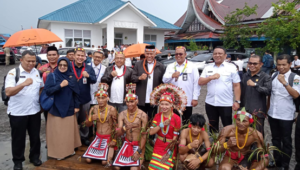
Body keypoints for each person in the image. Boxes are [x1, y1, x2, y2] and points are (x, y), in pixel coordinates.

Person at [5, 50, 44, 170]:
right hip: (18, 112)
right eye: (29, 61)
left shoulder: (37, 72)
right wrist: (23, 84)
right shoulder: (13, 73)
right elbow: (8, 92)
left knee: (35, 137)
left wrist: (40, 103)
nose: (31, 63)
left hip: (34, 111)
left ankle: (34, 157)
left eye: (34, 61)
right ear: (21, 60)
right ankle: (18, 161)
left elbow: (41, 88)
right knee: (18, 138)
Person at [44, 57, 81, 160]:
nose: (62, 67)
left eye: (65, 65)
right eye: (60, 65)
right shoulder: (52, 76)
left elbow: (76, 93)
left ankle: (69, 150)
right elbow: (48, 91)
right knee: (58, 132)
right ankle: (58, 153)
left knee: (68, 132)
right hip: (56, 108)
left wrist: (76, 106)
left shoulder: (72, 76)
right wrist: (60, 86)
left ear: (68, 66)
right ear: (58, 66)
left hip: (69, 107)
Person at [268, 54, 300, 170]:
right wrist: (267, 110)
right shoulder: (274, 74)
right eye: (279, 64)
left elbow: (296, 94)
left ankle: (285, 165)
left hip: (286, 115)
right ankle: (276, 161)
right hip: (273, 113)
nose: (280, 67)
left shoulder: (295, 77)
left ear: (290, 64)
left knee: (286, 140)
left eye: (284, 65)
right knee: (275, 139)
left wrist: (285, 83)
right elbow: (271, 94)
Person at [199, 46, 241, 133]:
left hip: (226, 103)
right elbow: (200, 82)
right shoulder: (208, 67)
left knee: (227, 126)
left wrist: (237, 101)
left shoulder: (231, 67)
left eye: (220, 53)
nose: (217, 55)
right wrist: (211, 77)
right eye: (215, 53)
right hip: (210, 102)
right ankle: (215, 144)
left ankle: (227, 144)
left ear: (225, 56)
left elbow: (236, 85)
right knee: (212, 126)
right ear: (213, 55)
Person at [148, 84, 184, 170]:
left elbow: (175, 138)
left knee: (164, 168)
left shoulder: (176, 118)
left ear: (172, 105)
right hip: (158, 144)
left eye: (167, 104)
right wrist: (161, 125)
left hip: (169, 146)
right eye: (162, 104)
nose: (164, 107)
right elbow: (151, 132)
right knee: (153, 168)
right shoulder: (157, 116)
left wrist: (169, 152)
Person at [113, 83, 148, 169]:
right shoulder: (122, 114)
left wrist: (138, 151)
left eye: (132, 101)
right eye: (127, 101)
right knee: (117, 167)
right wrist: (123, 129)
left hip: (139, 145)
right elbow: (119, 133)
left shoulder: (143, 115)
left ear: (137, 101)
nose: (129, 104)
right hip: (127, 143)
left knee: (133, 169)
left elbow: (144, 135)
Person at [163, 46, 201, 123]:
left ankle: (184, 135)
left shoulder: (192, 66)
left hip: (187, 99)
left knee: (186, 121)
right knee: (174, 121)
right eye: (176, 54)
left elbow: (196, 83)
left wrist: (195, 98)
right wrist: (172, 76)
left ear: (185, 54)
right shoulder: (170, 66)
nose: (178, 56)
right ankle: (175, 135)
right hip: (173, 99)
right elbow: (164, 80)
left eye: (181, 54)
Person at [83, 83, 118, 166]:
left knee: (104, 162)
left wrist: (114, 140)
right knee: (87, 160)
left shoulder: (112, 109)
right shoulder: (93, 109)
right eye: (99, 98)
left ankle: (110, 153)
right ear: (96, 98)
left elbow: (116, 127)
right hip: (98, 137)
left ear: (107, 98)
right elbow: (87, 125)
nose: (101, 100)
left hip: (108, 138)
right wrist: (90, 119)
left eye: (103, 98)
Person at [240, 55, 271, 136]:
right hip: (245, 110)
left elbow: (268, 91)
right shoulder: (245, 75)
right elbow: (241, 92)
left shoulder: (265, 77)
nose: (252, 65)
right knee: (244, 134)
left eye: (255, 63)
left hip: (258, 112)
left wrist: (255, 85)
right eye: (250, 63)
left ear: (261, 64)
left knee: (257, 135)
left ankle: (259, 149)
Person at [72, 47, 97, 146]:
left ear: (85, 57)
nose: (80, 57)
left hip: (85, 98)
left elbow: (94, 80)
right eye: (78, 55)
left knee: (84, 120)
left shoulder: (88, 67)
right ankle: (74, 139)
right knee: (73, 121)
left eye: (82, 55)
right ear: (74, 56)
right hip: (72, 99)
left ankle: (84, 137)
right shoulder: (69, 66)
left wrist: (88, 76)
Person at [132, 45, 165, 119]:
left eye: (151, 54)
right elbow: (132, 78)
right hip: (141, 98)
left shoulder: (160, 66)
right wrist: (139, 78)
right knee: (140, 120)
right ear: (145, 54)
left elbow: (163, 82)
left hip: (153, 99)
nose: (149, 55)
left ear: (155, 54)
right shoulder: (138, 64)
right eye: (147, 53)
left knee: (152, 120)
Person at [39, 46, 60, 120]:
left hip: (60, 95)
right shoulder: (42, 68)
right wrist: (40, 73)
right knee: (48, 118)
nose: (52, 57)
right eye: (49, 55)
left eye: (54, 55)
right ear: (47, 56)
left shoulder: (62, 67)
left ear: (58, 55)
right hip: (47, 96)